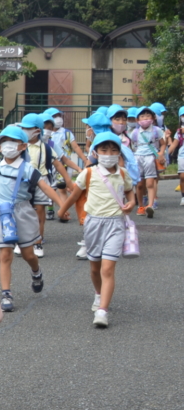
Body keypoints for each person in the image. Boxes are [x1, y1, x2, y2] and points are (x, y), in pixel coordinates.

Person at [0, 126, 63, 312]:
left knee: (28, 254)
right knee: (5, 254)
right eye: (4, 141)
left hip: (22, 213)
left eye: (13, 141)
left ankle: (36, 272)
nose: (8, 145)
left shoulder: (27, 169)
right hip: (2, 213)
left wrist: (61, 204)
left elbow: (45, 187)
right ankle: (6, 293)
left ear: (22, 146)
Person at [56, 133, 135, 328]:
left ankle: (102, 311)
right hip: (93, 224)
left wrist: (132, 203)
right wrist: (62, 210)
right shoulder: (88, 173)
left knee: (107, 269)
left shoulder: (123, 173)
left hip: (116, 224)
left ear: (119, 153)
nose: (109, 154)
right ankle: (98, 294)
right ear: (95, 153)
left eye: (114, 150)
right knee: (94, 268)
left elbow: (130, 192)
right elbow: (75, 195)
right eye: (104, 150)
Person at [19, 113, 71, 257]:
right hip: (23, 181)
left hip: (41, 181)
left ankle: (38, 243)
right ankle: (23, 240)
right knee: (22, 211)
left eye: (28, 128)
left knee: (39, 213)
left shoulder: (46, 147)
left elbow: (58, 164)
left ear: (37, 130)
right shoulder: (20, 145)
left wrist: (68, 180)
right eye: (23, 128)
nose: (25, 130)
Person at [41, 112, 80, 223]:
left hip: (51, 173)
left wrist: (78, 169)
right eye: (44, 127)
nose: (47, 130)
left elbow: (63, 160)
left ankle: (60, 211)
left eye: (49, 128)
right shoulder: (27, 145)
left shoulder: (51, 144)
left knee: (53, 193)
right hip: (34, 179)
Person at [129, 106, 164, 218]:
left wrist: (161, 153)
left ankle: (150, 205)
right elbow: (131, 147)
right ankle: (140, 206)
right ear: (137, 119)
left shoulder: (156, 130)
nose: (145, 118)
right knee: (139, 185)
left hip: (150, 157)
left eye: (148, 116)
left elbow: (163, 144)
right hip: (138, 157)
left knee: (149, 183)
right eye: (142, 116)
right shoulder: (134, 132)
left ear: (153, 118)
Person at [167, 106, 184, 206]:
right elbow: (174, 144)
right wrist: (166, 154)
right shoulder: (179, 132)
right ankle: (183, 196)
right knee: (182, 177)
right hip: (182, 156)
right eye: (183, 115)